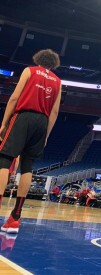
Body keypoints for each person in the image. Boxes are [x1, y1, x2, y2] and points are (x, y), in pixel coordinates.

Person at [0, 49, 61, 234]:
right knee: (27, 166)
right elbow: (55, 112)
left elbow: (14, 98)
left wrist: (3, 123)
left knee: (4, 161)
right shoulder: (58, 81)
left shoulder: (30, 71)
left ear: (39, 59)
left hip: (23, 117)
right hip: (42, 123)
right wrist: (47, 135)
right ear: (54, 63)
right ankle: (15, 218)